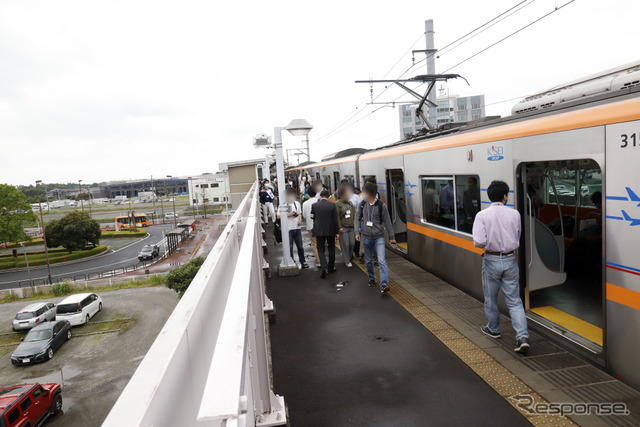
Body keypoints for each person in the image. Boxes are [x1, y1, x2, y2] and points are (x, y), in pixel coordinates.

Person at [472, 180, 529, 354]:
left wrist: (488, 244)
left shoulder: (482, 215)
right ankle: (522, 337)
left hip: (491, 259)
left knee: (491, 298)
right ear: (505, 196)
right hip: (511, 259)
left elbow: (478, 242)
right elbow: (517, 235)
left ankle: (494, 329)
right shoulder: (515, 214)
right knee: (514, 301)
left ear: (490, 197)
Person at [355, 183, 396, 294]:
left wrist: (392, 237)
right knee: (368, 260)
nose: (363, 194)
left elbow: (387, 222)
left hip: (379, 238)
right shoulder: (362, 204)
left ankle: (384, 285)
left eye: (364, 192)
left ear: (370, 193)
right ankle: (372, 278)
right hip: (366, 237)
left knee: (382, 261)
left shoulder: (381, 206)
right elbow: (357, 218)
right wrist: (356, 232)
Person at [277, 188, 309, 268]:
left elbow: (299, 213)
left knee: (300, 246)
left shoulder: (297, 203)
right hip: (288, 229)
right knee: (290, 247)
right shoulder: (283, 204)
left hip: (297, 228)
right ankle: (292, 262)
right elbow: (278, 216)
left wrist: (300, 220)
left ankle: (303, 261)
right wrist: (289, 215)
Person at [311, 190, 339, 278]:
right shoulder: (332, 205)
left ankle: (324, 268)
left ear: (320, 196)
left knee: (320, 249)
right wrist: (336, 232)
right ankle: (331, 267)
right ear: (328, 197)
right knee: (331, 248)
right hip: (330, 230)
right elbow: (335, 220)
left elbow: (312, 217)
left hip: (319, 230)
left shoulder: (314, 205)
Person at [336, 186, 356, 267]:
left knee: (352, 243)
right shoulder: (338, 204)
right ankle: (347, 260)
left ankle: (349, 256)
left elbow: (354, 215)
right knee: (345, 244)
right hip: (343, 228)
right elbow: (336, 216)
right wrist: (339, 227)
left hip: (351, 227)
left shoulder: (350, 203)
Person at [302, 187, 321, 267]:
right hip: (321, 225)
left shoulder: (305, 203)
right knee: (321, 243)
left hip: (310, 226)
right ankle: (323, 259)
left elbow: (304, 215)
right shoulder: (319, 201)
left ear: (308, 194)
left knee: (314, 244)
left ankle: (318, 261)